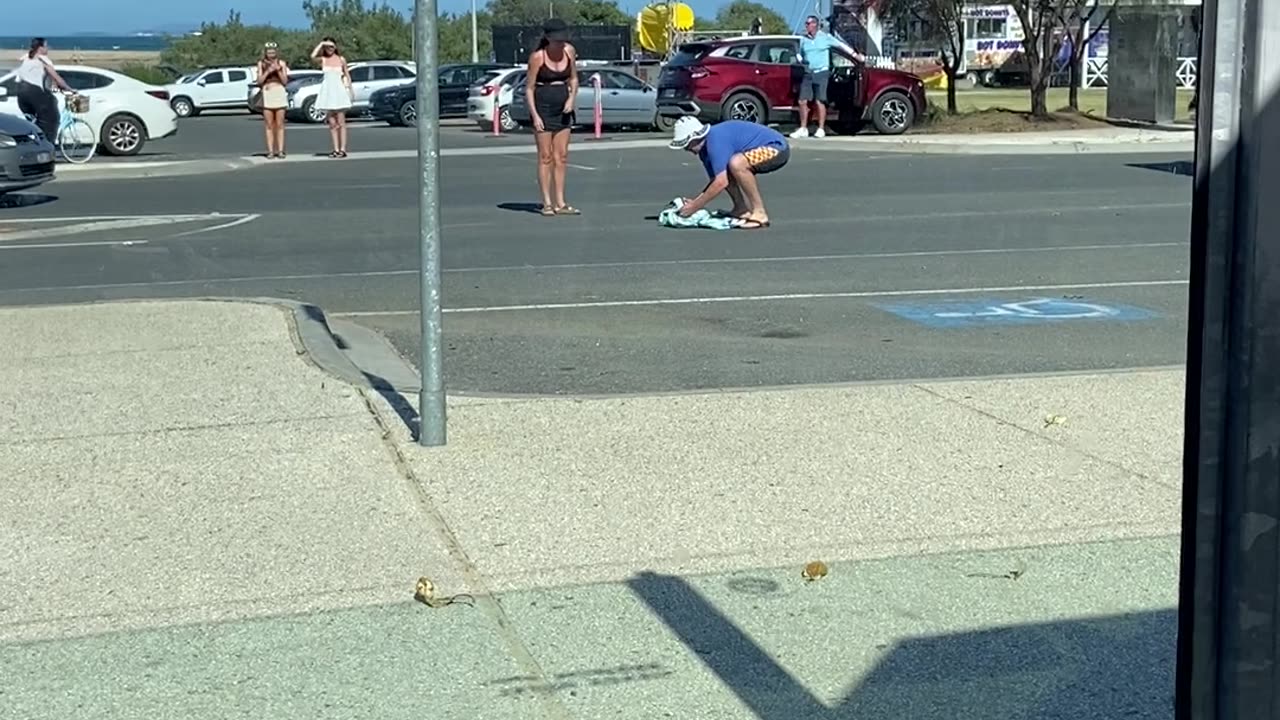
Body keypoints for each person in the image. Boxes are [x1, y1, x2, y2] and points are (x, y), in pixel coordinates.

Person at [669, 117, 790, 229]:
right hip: (762, 149)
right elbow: (716, 180)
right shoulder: (705, 152)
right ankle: (741, 208)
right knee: (728, 168)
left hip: (776, 148)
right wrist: (695, 202)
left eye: (687, 145)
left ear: (695, 137)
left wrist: (695, 207)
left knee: (737, 164)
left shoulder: (715, 141)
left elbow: (721, 183)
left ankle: (760, 212)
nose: (686, 149)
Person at [525, 19, 581, 216]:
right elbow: (529, 88)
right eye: (556, 40)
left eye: (562, 40)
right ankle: (546, 203)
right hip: (543, 107)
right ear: (548, 38)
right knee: (545, 156)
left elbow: (574, 78)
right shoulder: (537, 58)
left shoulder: (570, 52)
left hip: (563, 108)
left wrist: (572, 99)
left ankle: (561, 202)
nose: (560, 43)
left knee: (561, 156)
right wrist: (535, 115)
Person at [793, 16, 863, 138]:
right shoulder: (803, 40)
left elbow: (841, 46)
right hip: (808, 72)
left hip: (822, 73)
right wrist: (800, 60)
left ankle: (821, 128)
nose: (806, 26)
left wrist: (856, 56)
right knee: (802, 100)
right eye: (806, 23)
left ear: (815, 24)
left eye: (808, 23)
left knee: (820, 100)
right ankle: (803, 128)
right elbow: (800, 53)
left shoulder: (825, 38)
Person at [15, 38, 73, 143]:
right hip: (33, 91)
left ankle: (34, 141)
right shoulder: (43, 59)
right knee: (52, 117)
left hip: (21, 94)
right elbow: (56, 78)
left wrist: (56, 87)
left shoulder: (27, 58)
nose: (48, 48)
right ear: (40, 48)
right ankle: (48, 146)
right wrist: (69, 89)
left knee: (35, 121)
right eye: (46, 46)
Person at [311, 37, 352, 158]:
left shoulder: (341, 59)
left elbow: (347, 74)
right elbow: (312, 56)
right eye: (327, 47)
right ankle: (335, 149)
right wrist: (321, 43)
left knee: (341, 122)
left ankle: (343, 149)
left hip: (339, 91)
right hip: (328, 91)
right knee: (332, 123)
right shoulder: (323, 59)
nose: (330, 49)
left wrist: (350, 89)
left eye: (332, 46)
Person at [256, 42, 290, 159]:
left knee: (280, 124)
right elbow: (259, 81)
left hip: (279, 92)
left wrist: (278, 70)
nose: (271, 53)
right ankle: (270, 151)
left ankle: (280, 150)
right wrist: (268, 71)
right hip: (267, 93)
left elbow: (285, 81)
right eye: (269, 51)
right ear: (265, 52)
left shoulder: (282, 63)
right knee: (269, 124)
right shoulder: (261, 64)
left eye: (273, 51)